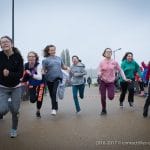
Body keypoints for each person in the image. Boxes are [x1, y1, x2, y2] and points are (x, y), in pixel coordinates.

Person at [0, 36, 24, 138]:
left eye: (7, 41)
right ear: (1, 45)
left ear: (11, 44)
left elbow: (20, 74)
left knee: (15, 110)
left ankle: (14, 129)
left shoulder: (18, 57)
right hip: (2, 87)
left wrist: (9, 73)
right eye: (2, 42)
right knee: (2, 110)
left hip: (16, 87)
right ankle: (8, 104)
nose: (4, 43)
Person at [97, 48, 129, 115]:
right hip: (103, 81)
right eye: (107, 52)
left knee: (111, 97)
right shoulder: (101, 62)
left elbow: (120, 70)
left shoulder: (114, 62)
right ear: (104, 53)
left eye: (110, 52)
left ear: (111, 53)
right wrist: (99, 74)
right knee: (103, 97)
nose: (108, 53)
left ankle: (110, 97)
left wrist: (125, 78)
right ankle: (103, 109)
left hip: (111, 82)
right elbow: (98, 70)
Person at [42, 44, 69, 116]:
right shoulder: (45, 60)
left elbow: (63, 66)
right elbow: (44, 70)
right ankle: (55, 105)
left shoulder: (59, 58)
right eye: (51, 50)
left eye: (54, 50)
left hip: (58, 77)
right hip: (49, 79)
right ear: (48, 51)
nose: (53, 51)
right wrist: (42, 72)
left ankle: (53, 108)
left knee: (54, 92)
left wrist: (67, 68)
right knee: (52, 94)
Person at [21, 51, 45, 118]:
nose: (31, 58)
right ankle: (37, 95)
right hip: (32, 84)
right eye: (29, 56)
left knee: (40, 98)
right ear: (28, 58)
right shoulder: (26, 65)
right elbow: (24, 75)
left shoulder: (39, 65)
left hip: (40, 84)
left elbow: (40, 78)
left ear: (35, 57)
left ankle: (38, 111)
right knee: (32, 100)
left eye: (33, 56)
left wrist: (31, 74)